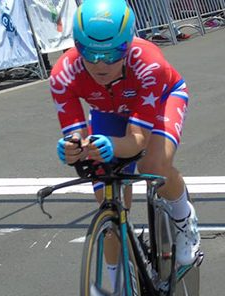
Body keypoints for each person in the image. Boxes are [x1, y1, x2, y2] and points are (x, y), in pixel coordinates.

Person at [51, 0, 201, 269]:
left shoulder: (149, 63)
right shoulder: (63, 74)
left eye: (111, 54)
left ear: (128, 45)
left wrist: (110, 144)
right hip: (109, 112)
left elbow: (137, 142)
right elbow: (77, 138)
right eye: (89, 52)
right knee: (109, 202)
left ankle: (183, 218)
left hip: (163, 98)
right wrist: (73, 149)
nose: (100, 64)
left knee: (153, 165)